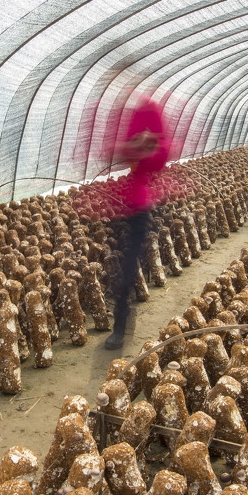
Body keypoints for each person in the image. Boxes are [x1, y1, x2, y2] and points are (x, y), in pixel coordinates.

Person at [104, 98, 170, 351]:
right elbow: (115, 151)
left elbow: (161, 157)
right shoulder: (130, 126)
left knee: (127, 265)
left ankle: (120, 323)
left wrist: (147, 147)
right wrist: (133, 146)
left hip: (138, 210)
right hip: (120, 207)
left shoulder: (151, 118)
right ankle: (122, 314)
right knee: (118, 263)